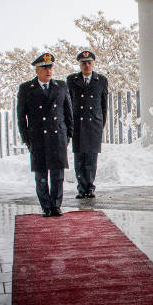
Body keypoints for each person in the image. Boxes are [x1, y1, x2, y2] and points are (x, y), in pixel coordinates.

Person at [16, 52, 73, 217]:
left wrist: (67, 135)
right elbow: (21, 118)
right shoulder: (27, 89)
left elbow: (68, 113)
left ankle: (56, 205)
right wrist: (27, 139)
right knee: (41, 175)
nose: (48, 70)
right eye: (44, 68)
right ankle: (45, 206)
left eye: (50, 67)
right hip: (38, 137)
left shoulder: (61, 86)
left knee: (57, 175)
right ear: (37, 70)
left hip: (57, 137)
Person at [66, 50, 108, 199]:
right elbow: (68, 103)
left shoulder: (101, 80)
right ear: (80, 65)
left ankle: (89, 187)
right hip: (77, 124)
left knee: (91, 159)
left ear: (93, 64)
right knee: (79, 159)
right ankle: (81, 188)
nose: (87, 65)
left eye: (89, 63)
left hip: (93, 125)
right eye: (84, 63)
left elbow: (104, 105)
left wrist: (100, 123)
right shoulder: (72, 80)